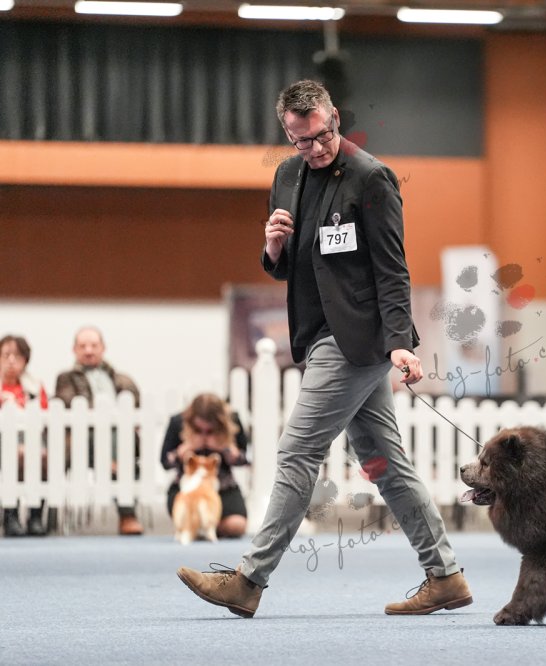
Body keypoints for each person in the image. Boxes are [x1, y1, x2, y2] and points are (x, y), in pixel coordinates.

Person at [177, 80, 472, 618]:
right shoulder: (287, 176)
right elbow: (296, 265)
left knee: (296, 452)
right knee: (384, 462)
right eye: (300, 140)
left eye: (322, 135)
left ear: (334, 116)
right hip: (317, 336)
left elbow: (392, 270)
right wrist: (272, 247)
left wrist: (399, 343)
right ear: (286, 132)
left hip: (355, 341)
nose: (314, 148)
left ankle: (249, 580)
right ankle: (446, 576)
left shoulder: (372, 178)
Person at [54, 326, 144, 535]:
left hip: (122, 439)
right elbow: (68, 402)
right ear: (74, 350)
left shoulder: (122, 379)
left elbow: (136, 407)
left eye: (94, 345)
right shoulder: (66, 378)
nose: (89, 350)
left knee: (123, 438)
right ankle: (126, 511)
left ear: (103, 348)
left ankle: (126, 507)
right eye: (83, 346)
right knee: (108, 437)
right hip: (84, 442)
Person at [161, 393, 250, 539]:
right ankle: (200, 525)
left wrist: (226, 449)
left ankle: (202, 526)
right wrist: (182, 452)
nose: (204, 434)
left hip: (222, 488)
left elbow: (246, 459)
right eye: (198, 429)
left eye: (210, 430)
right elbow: (165, 462)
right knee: (184, 512)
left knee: (236, 525)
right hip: (187, 489)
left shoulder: (233, 420)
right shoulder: (177, 422)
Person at [1, 334, 49, 537]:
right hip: (3, 440)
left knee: (42, 456)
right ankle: (10, 516)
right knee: (14, 455)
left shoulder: (34, 387)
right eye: (6, 355)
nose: (11, 361)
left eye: (17, 356)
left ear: (25, 360)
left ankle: (35, 516)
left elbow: (44, 418)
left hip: (31, 438)